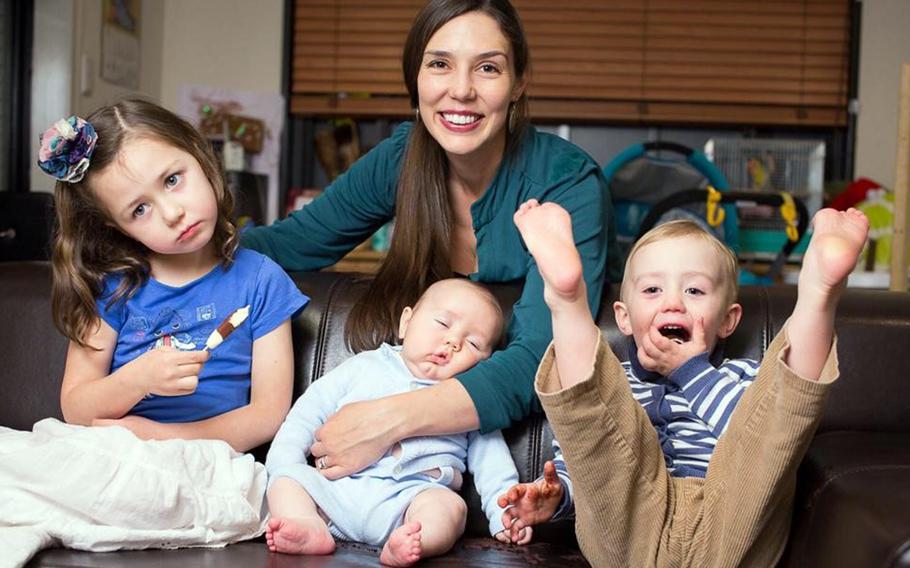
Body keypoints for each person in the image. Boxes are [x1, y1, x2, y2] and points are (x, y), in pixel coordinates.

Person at [241, 0, 616, 478]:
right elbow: (289, 245)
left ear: (519, 83)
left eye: (487, 68)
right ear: (415, 78)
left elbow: (544, 358)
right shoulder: (402, 158)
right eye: (439, 64)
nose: (460, 91)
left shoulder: (567, 181)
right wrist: (151, 249)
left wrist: (388, 419)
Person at [500, 199, 868, 567]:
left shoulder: (739, 376)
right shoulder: (616, 387)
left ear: (728, 320)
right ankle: (566, 300)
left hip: (728, 519)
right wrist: (559, 496)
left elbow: (759, 442)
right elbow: (591, 467)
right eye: (652, 291)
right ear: (624, 319)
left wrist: (690, 371)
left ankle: (820, 293)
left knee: (776, 418)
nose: (673, 303)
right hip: (631, 531)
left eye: (694, 291)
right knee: (592, 421)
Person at [46, 98, 307, 451]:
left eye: (172, 180)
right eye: (139, 209)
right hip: (113, 456)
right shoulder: (112, 288)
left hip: (208, 461)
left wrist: (163, 438)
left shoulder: (262, 282)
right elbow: (75, 409)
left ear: (200, 157)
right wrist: (138, 380)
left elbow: (268, 415)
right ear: (118, 227)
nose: (172, 213)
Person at [264, 278, 529, 566]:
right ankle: (308, 526)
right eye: (442, 323)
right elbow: (306, 415)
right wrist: (284, 465)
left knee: (450, 509)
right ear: (406, 322)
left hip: (410, 500)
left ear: (484, 363)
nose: (453, 342)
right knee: (286, 481)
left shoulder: (465, 402)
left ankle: (412, 543)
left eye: (474, 343)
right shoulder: (363, 367)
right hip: (336, 493)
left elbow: (494, 465)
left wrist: (505, 512)